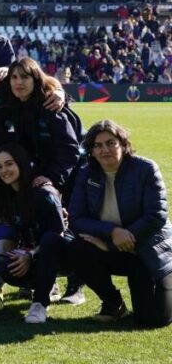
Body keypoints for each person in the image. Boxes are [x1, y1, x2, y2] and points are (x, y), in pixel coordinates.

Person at [68, 120, 172, 327]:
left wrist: (117, 241)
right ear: (91, 150)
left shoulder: (146, 168)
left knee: (152, 320)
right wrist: (112, 232)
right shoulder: (86, 173)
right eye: (97, 145)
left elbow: (156, 215)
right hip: (112, 248)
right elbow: (77, 218)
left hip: (147, 250)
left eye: (110, 143)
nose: (104, 149)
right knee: (77, 248)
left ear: (123, 145)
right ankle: (113, 303)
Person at [0, 143, 70, 322]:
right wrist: (20, 255)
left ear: (21, 164)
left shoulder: (43, 192)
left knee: (49, 239)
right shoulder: (5, 194)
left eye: (9, 164)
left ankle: (40, 303)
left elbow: (59, 235)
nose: (4, 170)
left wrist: (30, 255)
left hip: (65, 255)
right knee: (4, 264)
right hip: (34, 253)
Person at [6, 57, 81, 196]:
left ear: (35, 79)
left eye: (24, 77)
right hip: (41, 173)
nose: (19, 82)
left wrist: (51, 178)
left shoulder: (50, 106)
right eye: (14, 77)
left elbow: (69, 150)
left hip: (67, 178)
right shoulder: (15, 107)